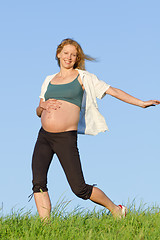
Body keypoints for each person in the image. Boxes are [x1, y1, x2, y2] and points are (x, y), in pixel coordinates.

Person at [32, 38, 160, 220]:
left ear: (77, 59)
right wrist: (42, 108)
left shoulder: (83, 77)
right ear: (58, 54)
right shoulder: (48, 80)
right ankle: (44, 227)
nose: (69, 57)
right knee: (38, 182)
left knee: (79, 189)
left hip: (65, 138)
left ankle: (116, 209)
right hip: (44, 137)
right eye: (66, 53)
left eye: (73, 55)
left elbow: (112, 90)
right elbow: (38, 109)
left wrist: (141, 103)